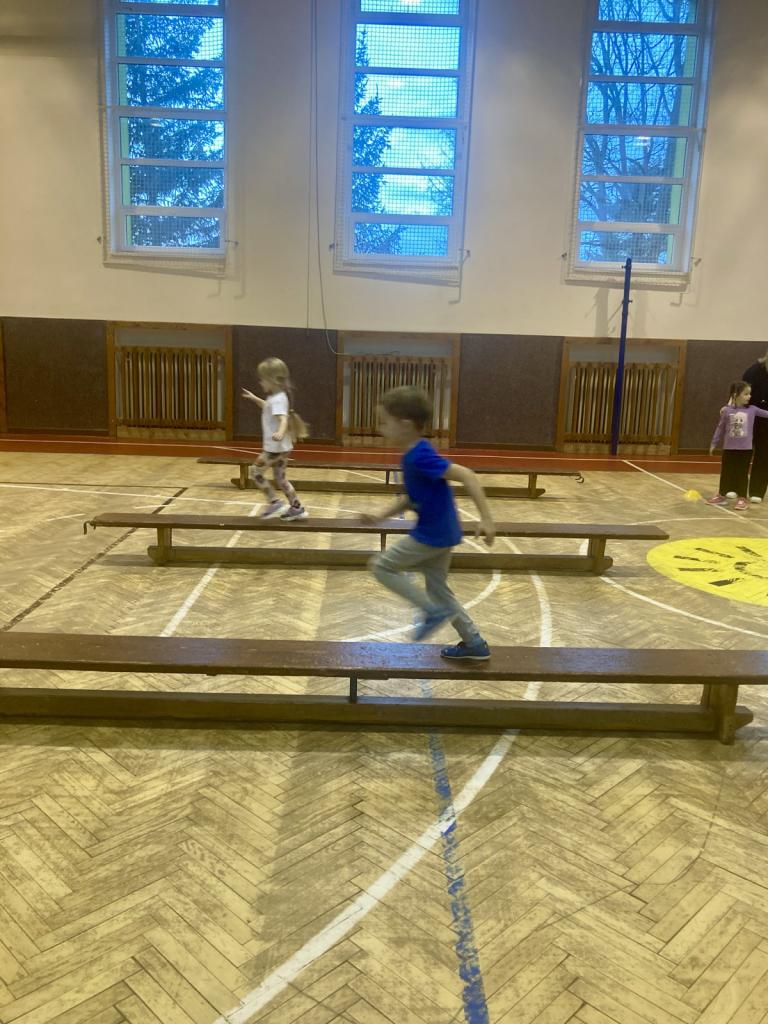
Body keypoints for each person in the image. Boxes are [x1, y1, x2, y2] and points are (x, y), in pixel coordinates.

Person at [363, 385, 495, 660]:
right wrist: (380, 515)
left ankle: (431, 611)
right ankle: (474, 643)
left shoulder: (420, 455)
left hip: (432, 535)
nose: (379, 429)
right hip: (443, 533)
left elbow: (467, 475)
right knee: (439, 591)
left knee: (381, 566)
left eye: (384, 422)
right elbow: (411, 498)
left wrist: (486, 518)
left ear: (405, 425)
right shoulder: (414, 454)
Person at [240, 357, 309, 520]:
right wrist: (255, 398)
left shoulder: (277, 399)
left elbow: (283, 419)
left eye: (262, 379)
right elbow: (268, 407)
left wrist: (280, 432)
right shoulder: (278, 396)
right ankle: (296, 508)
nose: (260, 382)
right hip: (283, 448)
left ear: (272, 380)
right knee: (281, 479)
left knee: (255, 472)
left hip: (274, 449)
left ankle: (275, 502)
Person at [708, 380, 768, 510]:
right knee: (726, 472)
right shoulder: (727, 411)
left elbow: (766, 414)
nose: (749, 396)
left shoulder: (753, 410)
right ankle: (721, 495)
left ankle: (742, 498)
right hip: (729, 448)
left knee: (742, 473)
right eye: (746, 394)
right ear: (736, 395)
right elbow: (720, 428)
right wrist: (714, 443)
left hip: (745, 449)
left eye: (749, 394)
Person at [741, 350, 768, 503]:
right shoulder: (753, 372)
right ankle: (737, 488)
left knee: (764, 455)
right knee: (743, 454)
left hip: (767, 421)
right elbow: (741, 393)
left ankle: (757, 491)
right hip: (749, 418)